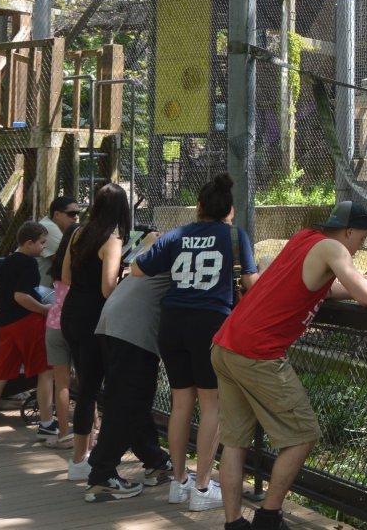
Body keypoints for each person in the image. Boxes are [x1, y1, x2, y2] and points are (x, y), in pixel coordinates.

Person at [212, 200, 367, 530]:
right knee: (302, 435)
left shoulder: (304, 239)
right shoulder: (334, 249)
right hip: (257, 352)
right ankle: (268, 518)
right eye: (362, 239)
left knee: (235, 442)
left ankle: (234, 523)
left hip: (226, 344)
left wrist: (358, 290)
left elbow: (324, 287)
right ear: (350, 232)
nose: (360, 246)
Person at [131, 172, 259, 511]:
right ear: (229, 211)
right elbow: (250, 281)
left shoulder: (177, 235)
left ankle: (179, 482)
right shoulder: (234, 235)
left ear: (199, 206)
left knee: (180, 404)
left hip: (172, 323)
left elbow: (138, 270)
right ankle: (202, 488)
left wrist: (149, 246)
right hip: (210, 325)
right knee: (212, 405)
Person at [81, 265, 176, 501]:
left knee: (132, 399)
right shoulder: (189, 253)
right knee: (128, 403)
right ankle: (101, 475)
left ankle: (156, 461)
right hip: (133, 330)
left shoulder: (166, 249)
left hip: (112, 321)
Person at [58, 181, 130, 478]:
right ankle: (78, 460)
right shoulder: (111, 240)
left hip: (70, 312)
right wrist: (125, 278)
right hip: (93, 319)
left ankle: (85, 452)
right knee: (90, 389)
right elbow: (107, 288)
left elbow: (64, 276)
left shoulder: (77, 233)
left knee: (84, 383)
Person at [0, 221, 52, 444]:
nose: (44, 248)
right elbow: (21, 296)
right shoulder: (28, 264)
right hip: (27, 323)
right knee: (45, 371)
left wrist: (7, 305)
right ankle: (46, 424)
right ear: (29, 243)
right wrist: (44, 309)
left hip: (6, 324)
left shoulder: (7, 261)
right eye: (42, 243)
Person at [33, 194, 81, 441]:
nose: (76, 218)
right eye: (72, 214)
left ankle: (62, 432)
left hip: (54, 319)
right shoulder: (52, 231)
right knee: (84, 384)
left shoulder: (58, 266)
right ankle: (89, 432)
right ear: (57, 214)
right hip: (73, 321)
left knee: (59, 381)